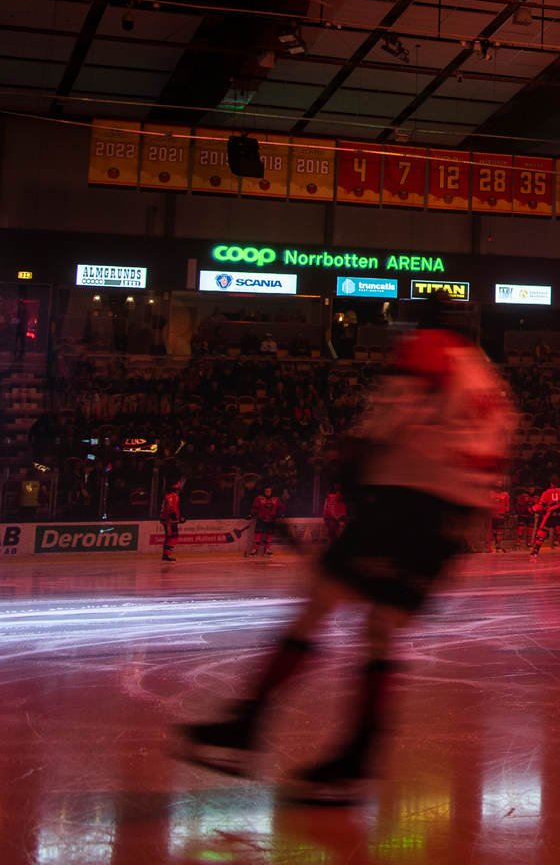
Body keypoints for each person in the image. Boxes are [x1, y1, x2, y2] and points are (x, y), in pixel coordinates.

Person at [180, 300, 516, 804]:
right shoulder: (490, 381)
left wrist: (354, 462)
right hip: (452, 519)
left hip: (408, 499)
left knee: (321, 602)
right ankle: (356, 759)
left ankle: (247, 724)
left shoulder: (431, 348)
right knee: (381, 630)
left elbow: (393, 412)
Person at [528, 479, 560, 558]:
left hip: (551, 514)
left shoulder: (547, 492)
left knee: (543, 531)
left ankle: (535, 550)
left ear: (551, 484)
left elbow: (540, 506)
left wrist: (531, 509)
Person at [248, 486, 283, 557]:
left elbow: (280, 507)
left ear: (271, 491)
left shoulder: (276, 499)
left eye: (269, 491)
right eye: (266, 491)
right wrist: (251, 514)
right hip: (261, 519)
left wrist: (280, 514)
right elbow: (255, 508)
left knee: (269, 535)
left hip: (271, 520)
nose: (268, 492)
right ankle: (255, 549)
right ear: (264, 491)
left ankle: (267, 549)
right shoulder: (259, 498)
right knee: (258, 534)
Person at [160, 479, 184, 563]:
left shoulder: (169, 495)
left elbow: (174, 508)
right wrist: (174, 516)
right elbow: (171, 507)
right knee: (172, 537)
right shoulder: (172, 496)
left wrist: (179, 517)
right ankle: (166, 555)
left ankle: (166, 555)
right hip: (169, 520)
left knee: (171, 537)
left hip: (169, 519)